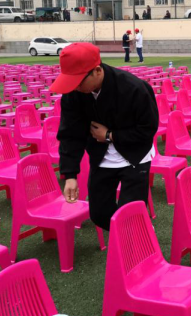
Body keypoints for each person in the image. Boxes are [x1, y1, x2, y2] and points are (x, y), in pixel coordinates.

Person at [53, 43, 159, 231]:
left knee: (130, 215)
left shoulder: (134, 88)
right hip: (101, 157)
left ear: (97, 71)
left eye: (78, 82)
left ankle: (134, 234)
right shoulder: (74, 94)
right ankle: (127, 231)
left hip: (135, 156)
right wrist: (70, 175)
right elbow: (70, 134)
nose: (75, 87)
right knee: (99, 214)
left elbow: (147, 130)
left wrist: (110, 135)